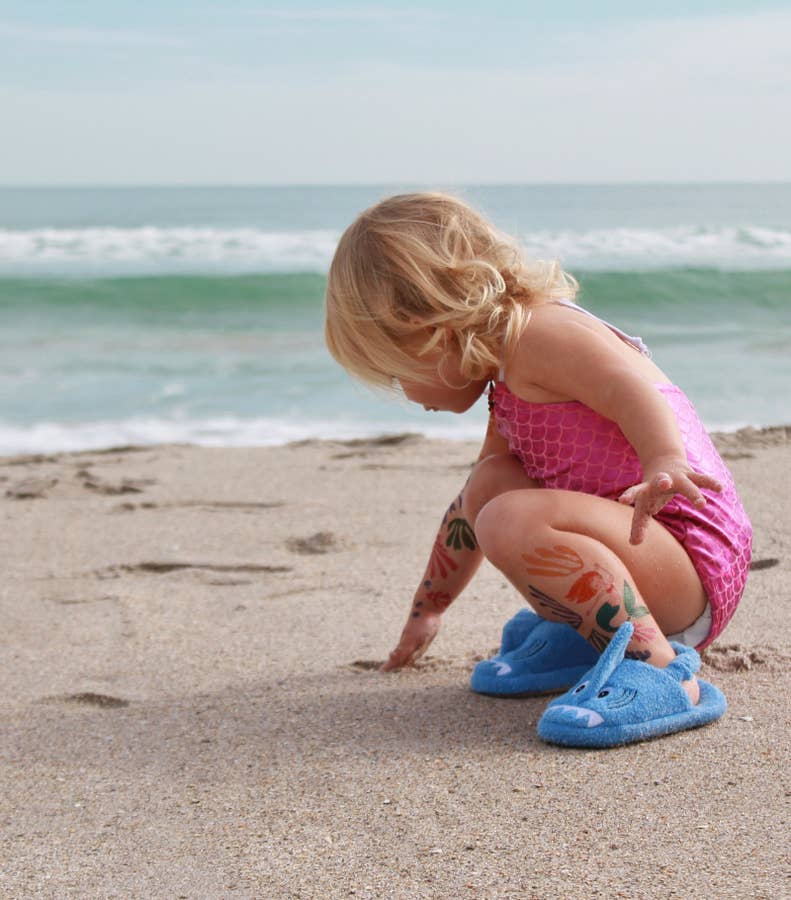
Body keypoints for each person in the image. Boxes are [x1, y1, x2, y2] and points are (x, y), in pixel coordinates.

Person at [324, 191, 752, 747]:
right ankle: (593, 638)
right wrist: (428, 611)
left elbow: (629, 389)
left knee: (509, 517)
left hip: (688, 554)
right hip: (645, 556)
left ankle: (661, 669)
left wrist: (665, 460)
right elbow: (468, 511)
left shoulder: (540, 335)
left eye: (394, 372)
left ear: (426, 327)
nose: (403, 393)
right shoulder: (505, 386)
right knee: (489, 489)